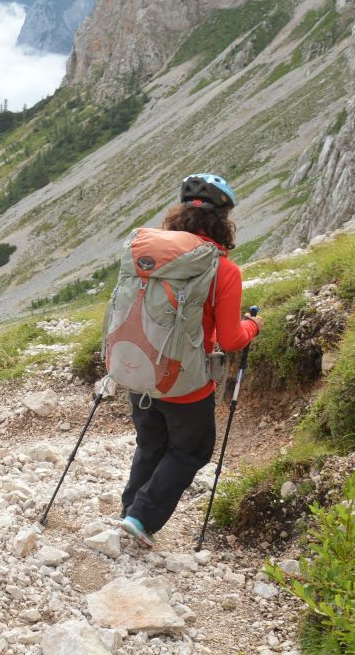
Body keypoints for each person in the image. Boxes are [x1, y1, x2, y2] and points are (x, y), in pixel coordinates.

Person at [118, 173, 263, 547]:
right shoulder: (224, 270)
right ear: (224, 220)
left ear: (179, 215)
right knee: (191, 450)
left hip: (140, 367)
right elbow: (231, 339)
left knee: (151, 444)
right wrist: (254, 326)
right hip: (185, 381)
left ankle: (130, 509)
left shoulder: (149, 258)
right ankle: (141, 517)